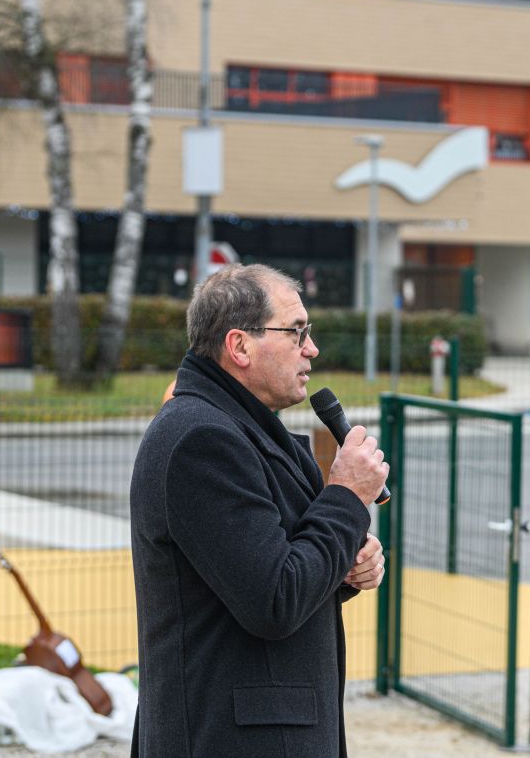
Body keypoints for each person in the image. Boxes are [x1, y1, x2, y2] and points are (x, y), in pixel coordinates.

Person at [129, 263, 388, 757]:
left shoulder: (247, 429)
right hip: (230, 738)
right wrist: (347, 497)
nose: (312, 349)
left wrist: (346, 567)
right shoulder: (201, 441)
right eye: (296, 332)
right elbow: (274, 600)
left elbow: (270, 565)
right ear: (240, 346)